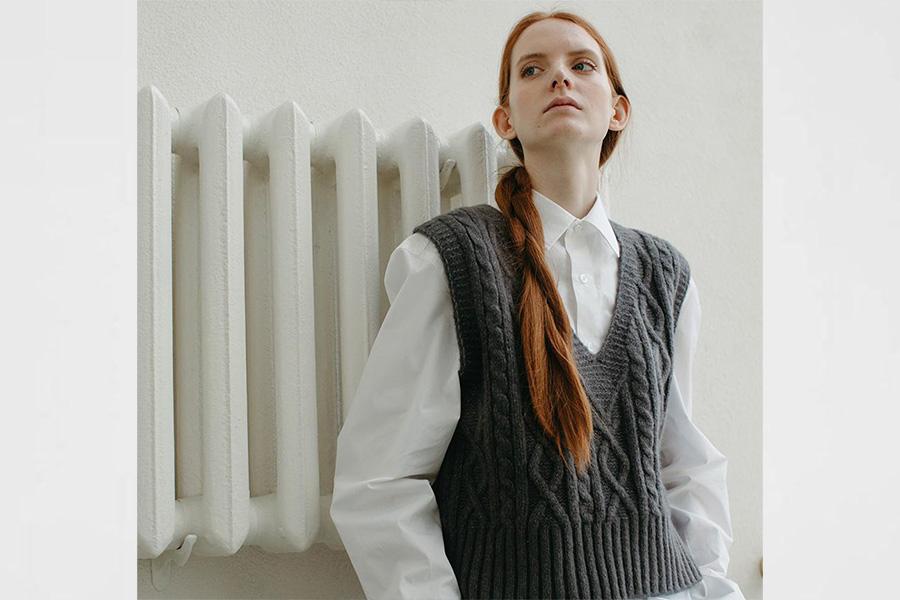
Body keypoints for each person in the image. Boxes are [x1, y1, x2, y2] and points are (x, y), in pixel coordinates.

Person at [331, 9, 745, 600]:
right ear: (506, 119)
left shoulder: (665, 275)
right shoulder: (451, 260)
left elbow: (685, 465)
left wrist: (714, 588)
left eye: (581, 65)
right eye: (532, 69)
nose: (559, 78)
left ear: (617, 110)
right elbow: (380, 478)